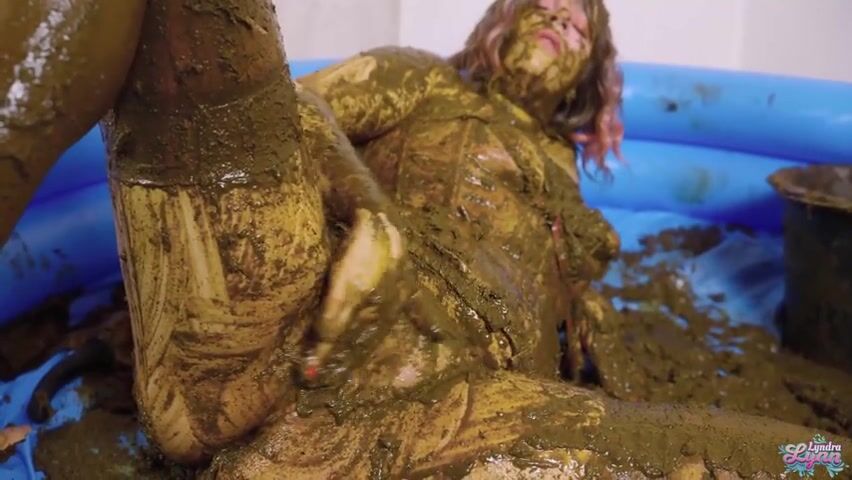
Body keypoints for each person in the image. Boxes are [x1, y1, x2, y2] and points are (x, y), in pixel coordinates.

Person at [5, 1, 848, 478]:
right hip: (275, 328)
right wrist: (368, 205)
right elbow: (299, 111)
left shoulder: (565, 190)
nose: (561, 11)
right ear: (499, 22)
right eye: (544, 1)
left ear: (591, 73)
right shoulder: (424, 80)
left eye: (581, 21)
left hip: (460, 415)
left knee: (809, 458)